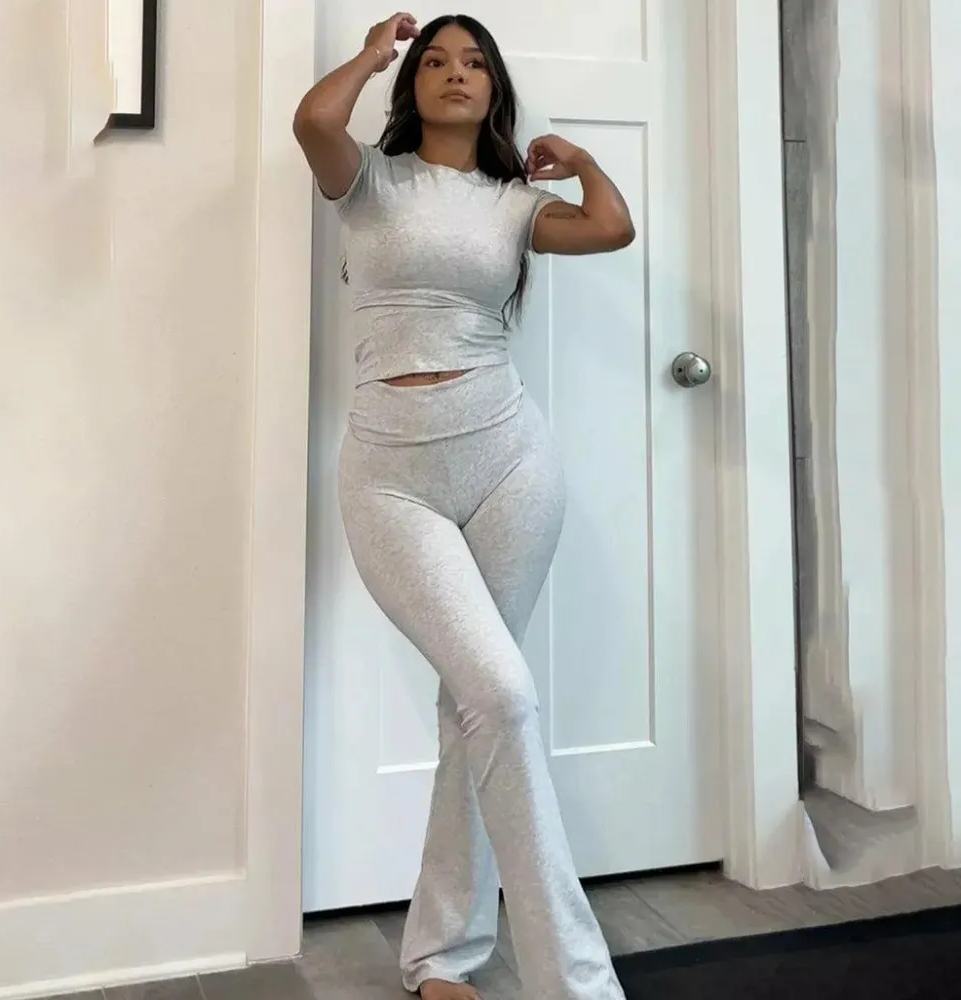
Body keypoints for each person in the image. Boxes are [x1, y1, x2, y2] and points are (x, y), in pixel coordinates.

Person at [293, 12, 634, 1000]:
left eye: (474, 62)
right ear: (411, 87)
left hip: (511, 461)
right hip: (391, 476)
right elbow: (311, 122)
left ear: (494, 90)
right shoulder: (369, 180)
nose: (454, 74)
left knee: (477, 707)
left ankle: (440, 958)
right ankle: (578, 984)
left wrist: (580, 163)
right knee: (502, 696)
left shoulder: (514, 202)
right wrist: (373, 54)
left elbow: (611, 228)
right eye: (435, 61)